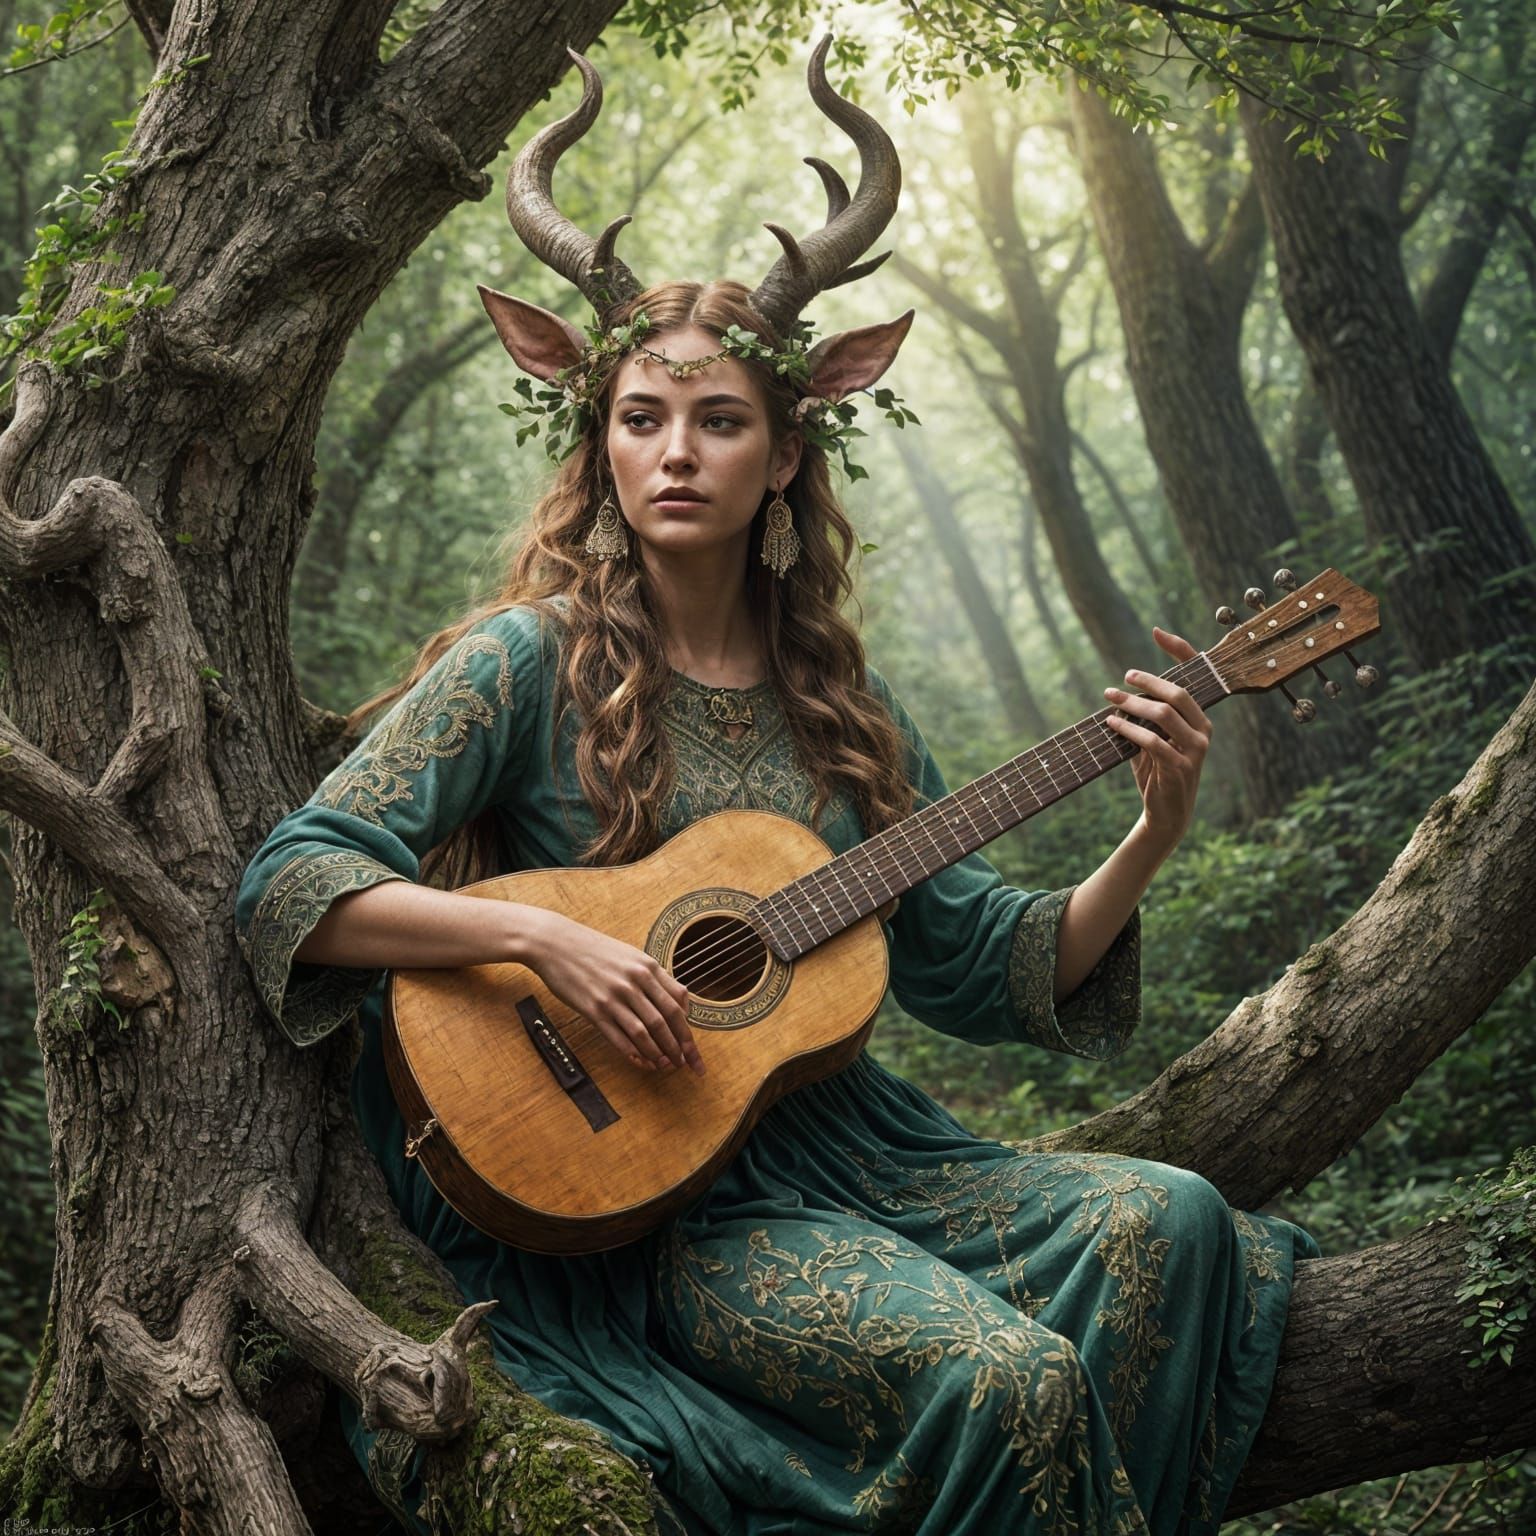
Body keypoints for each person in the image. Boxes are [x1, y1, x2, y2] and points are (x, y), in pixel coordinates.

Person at [236, 39, 1317, 1536]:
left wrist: (1153, 827)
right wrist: (537, 938)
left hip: (850, 1151)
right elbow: (296, 880)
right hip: (649, 1197)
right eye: (640, 419)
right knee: (1006, 1385)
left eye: (720, 420)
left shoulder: (842, 709)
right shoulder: (518, 662)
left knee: (1177, 1222)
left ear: (791, 441)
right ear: (596, 435)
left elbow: (983, 962)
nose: (675, 453)